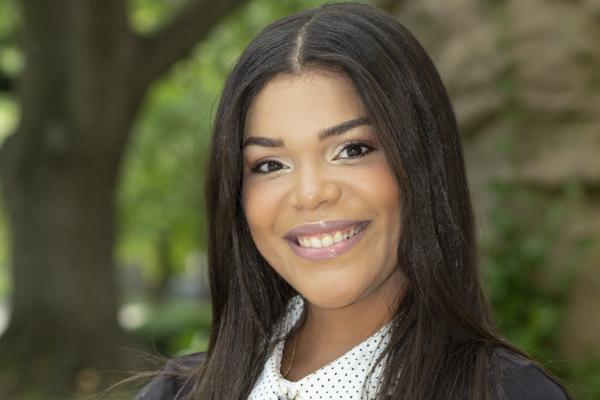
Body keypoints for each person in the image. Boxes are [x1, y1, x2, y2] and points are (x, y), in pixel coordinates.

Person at [134, 2, 571, 399]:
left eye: (352, 150)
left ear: (422, 163)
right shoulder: (175, 393)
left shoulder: (508, 394)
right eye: (270, 165)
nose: (311, 193)